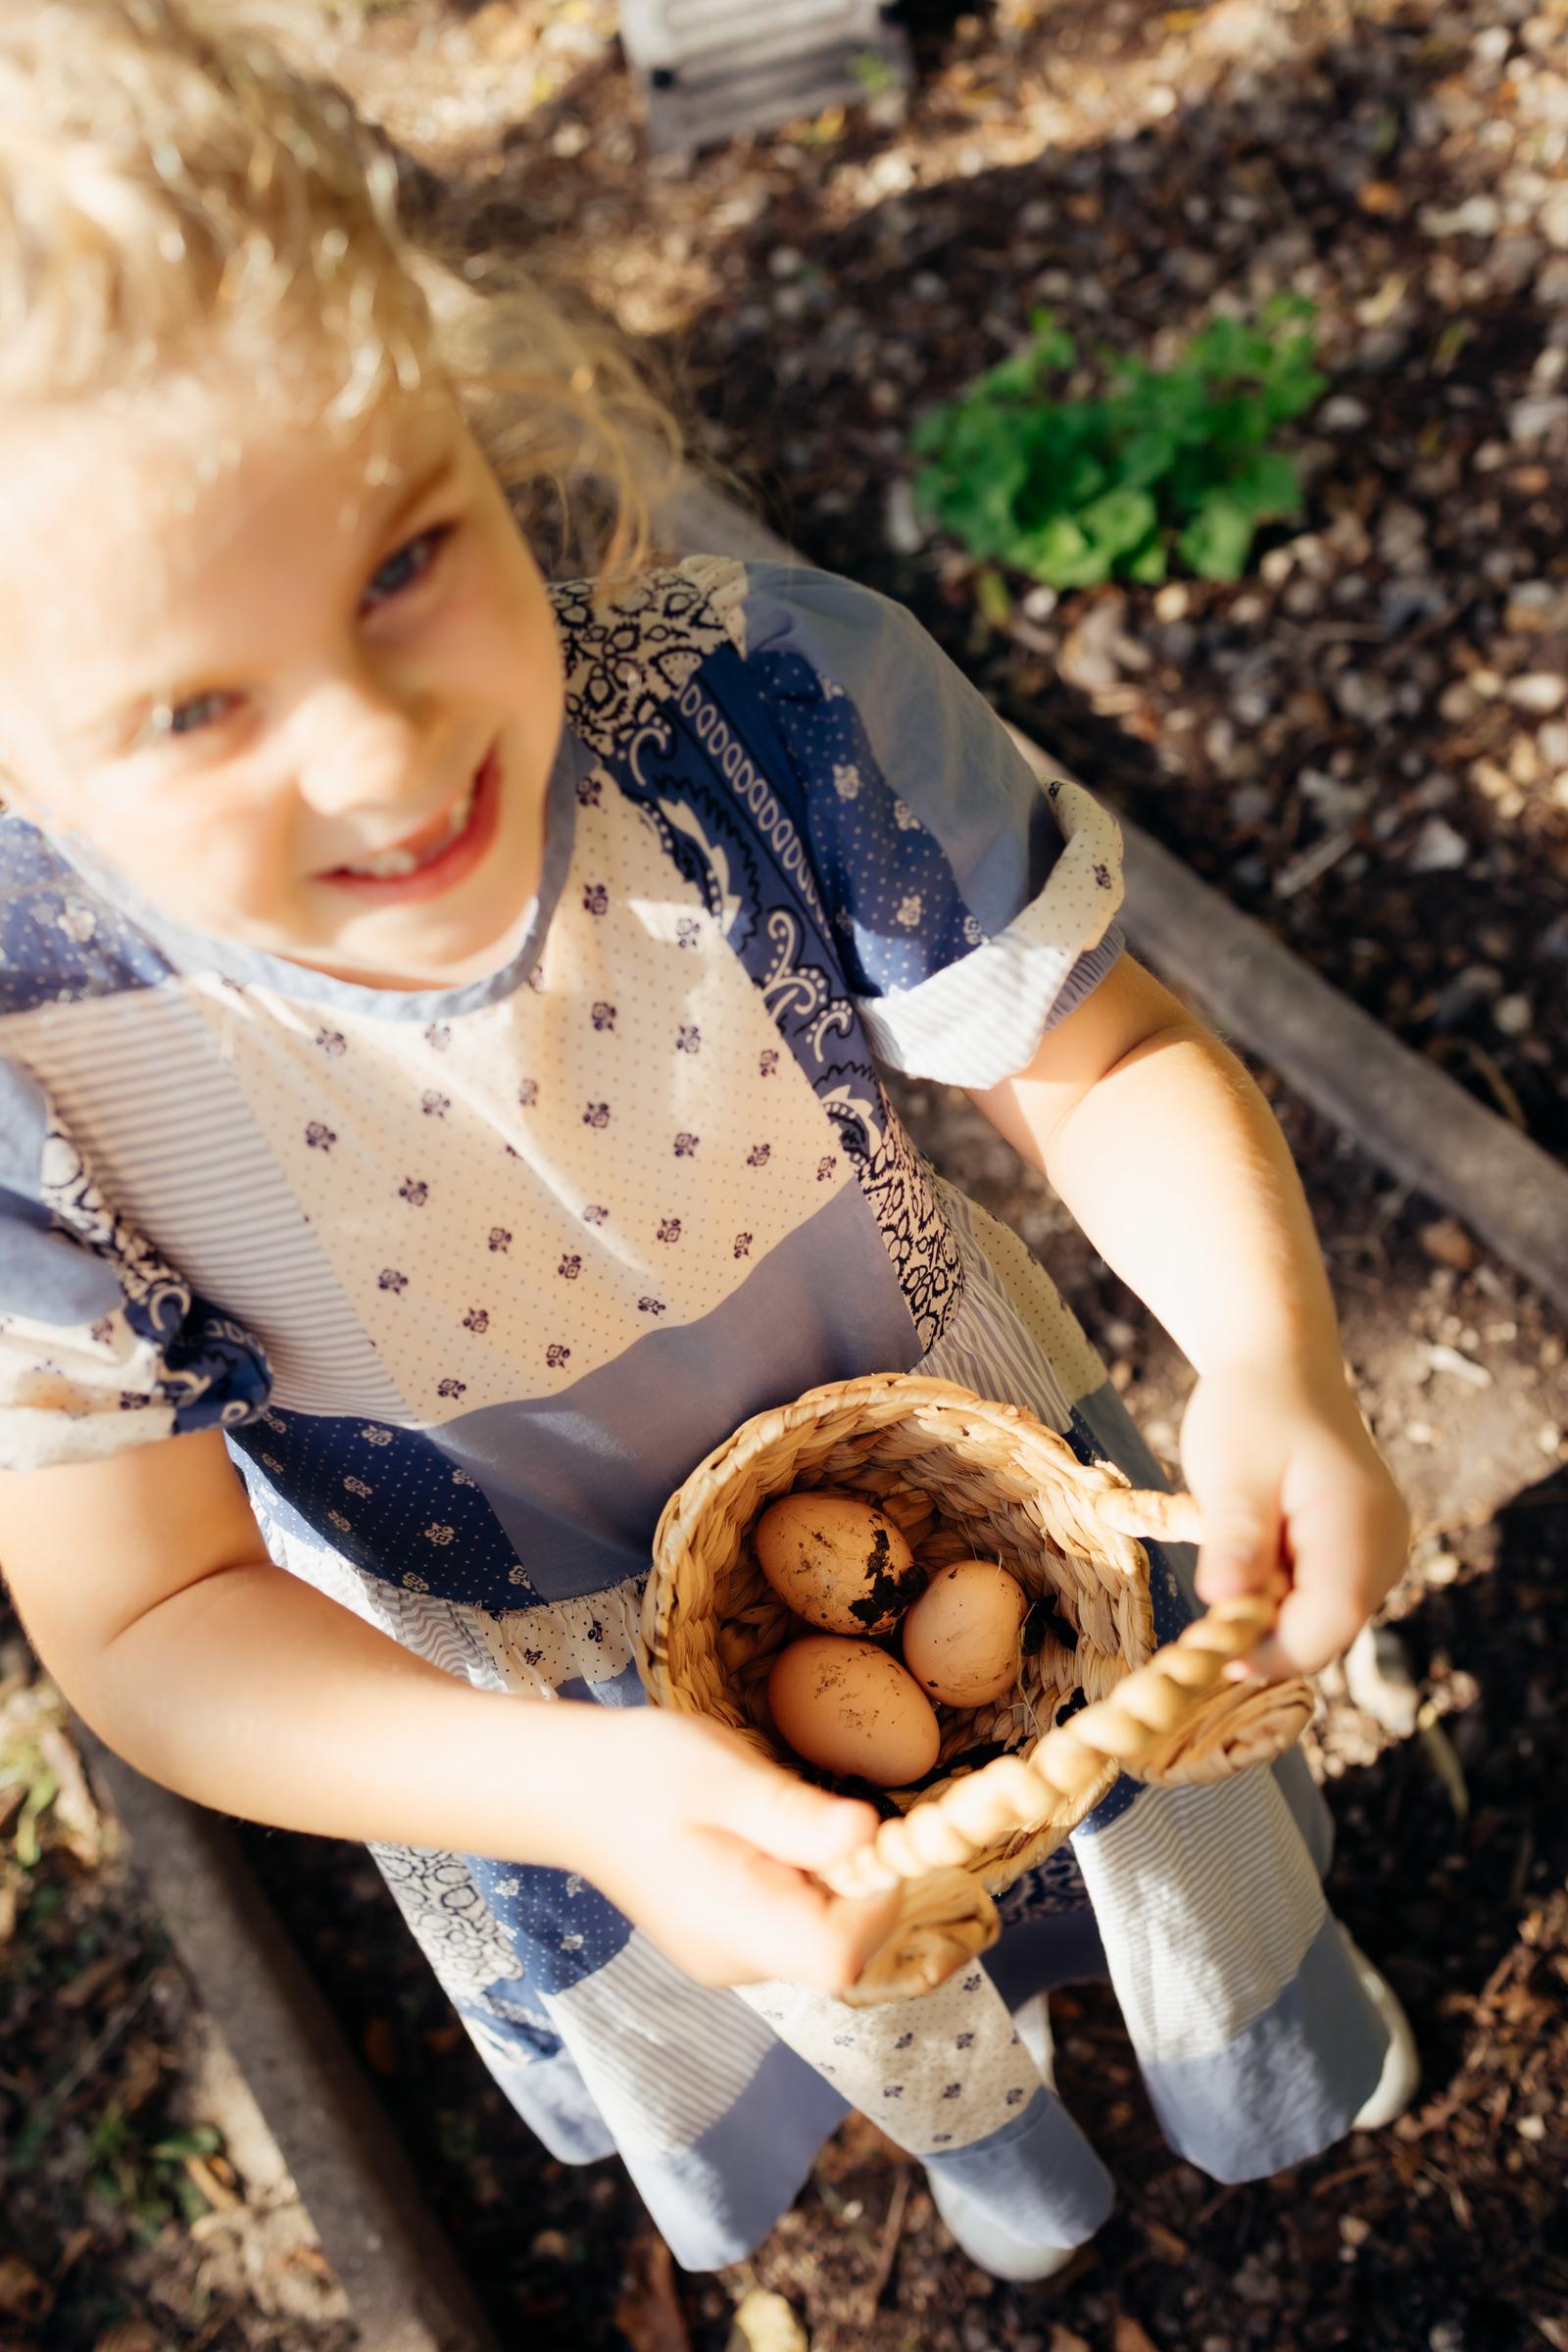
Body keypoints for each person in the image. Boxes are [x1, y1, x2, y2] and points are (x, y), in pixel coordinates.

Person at [0, 0, 1416, 2285]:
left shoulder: (752, 707)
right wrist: (582, 1798)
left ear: (474, 407)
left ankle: (1268, 2083)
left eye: (401, 557)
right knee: (833, 1988)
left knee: (1130, 1823)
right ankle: (1003, 2182)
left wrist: (1270, 1357)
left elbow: (1099, 1049)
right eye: (194, 708)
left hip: (979, 1466)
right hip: (534, 1715)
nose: (380, 756)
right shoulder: (35, 1071)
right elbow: (151, 1611)